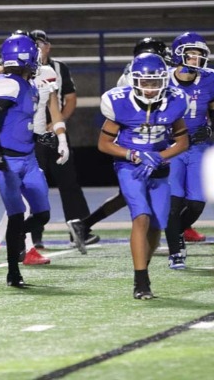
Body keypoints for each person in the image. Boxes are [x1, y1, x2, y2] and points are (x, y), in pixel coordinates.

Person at [96, 52, 188, 299]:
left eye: (155, 82)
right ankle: (141, 281)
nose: (149, 88)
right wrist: (133, 154)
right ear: (134, 81)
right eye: (145, 82)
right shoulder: (120, 102)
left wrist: (159, 156)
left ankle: (142, 270)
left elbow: (182, 142)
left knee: (157, 223)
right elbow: (104, 144)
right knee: (141, 216)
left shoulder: (175, 100)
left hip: (159, 167)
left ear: (164, 81)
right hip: (130, 167)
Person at [0, 33, 62, 287]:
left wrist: (40, 138)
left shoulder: (28, 86)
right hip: (8, 161)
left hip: (29, 158)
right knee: (16, 215)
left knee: (42, 214)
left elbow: (19, 125)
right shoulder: (8, 85)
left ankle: (12, 238)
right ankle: (13, 272)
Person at [67, 37, 172, 250]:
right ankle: (172, 235)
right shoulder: (134, 78)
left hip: (151, 139)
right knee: (141, 194)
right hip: (137, 142)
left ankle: (83, 225)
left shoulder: (153, 74)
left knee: (129, 195)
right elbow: (135, 113)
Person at [27, 29, 90, 247]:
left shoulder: (57, 69)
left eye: (40, 44)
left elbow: (68, 99)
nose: (37, 48)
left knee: (69, 181)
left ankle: (80, 230)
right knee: (33, 183)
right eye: (33, 44)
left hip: (54, 131)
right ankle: (33, 236)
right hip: (30, 135)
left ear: (48, 46)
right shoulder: (20, 69)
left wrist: (57, 124)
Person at [163, 32, 214, 268]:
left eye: (200, 54)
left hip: (199, 146)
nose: (196, 59)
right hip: (171, 146)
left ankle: (176, 233)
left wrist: (210, 129)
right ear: (178, 54)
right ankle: (175, 250)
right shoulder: (163, 79)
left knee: (196, 203)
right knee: (173, 201)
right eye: (191, 54)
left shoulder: (209, 79)